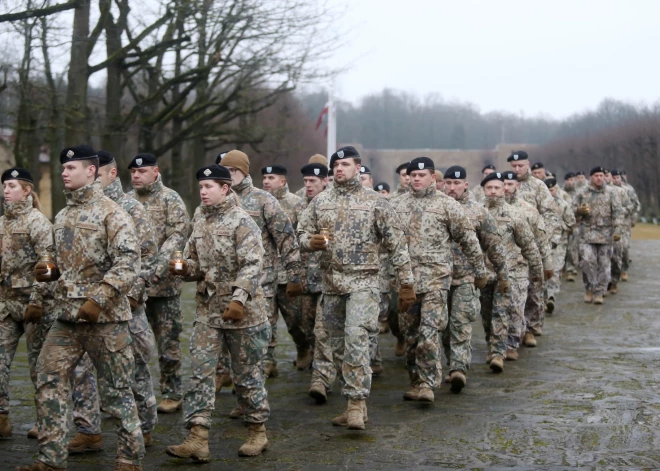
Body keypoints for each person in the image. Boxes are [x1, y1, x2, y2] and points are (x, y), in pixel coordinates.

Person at [19, 145, 144, 471]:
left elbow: (129, 264)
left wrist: (98, 299)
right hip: (66, 319)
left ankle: (130, 459)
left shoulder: (112, 213)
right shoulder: (63, 215)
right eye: (63, 167)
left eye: (71, 167)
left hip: (105, 320)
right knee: (48, 380)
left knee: (117, 391)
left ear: (91, 171)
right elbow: (60, 265)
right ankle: (50, 460)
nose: (64, 172)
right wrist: (49, 272)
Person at [298, 146, 414, 429]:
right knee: (337, 345)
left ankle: (356, 404)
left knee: (356, 339)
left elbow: (396, 244)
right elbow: (301, 232)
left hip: (364, 283)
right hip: (332, 285)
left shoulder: (374, 202)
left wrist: (407, 282)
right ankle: (354, 403)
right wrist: (309, 241)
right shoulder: (320, 202)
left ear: (358, 168)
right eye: (336, 164)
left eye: (345, 164)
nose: (339, 168)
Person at [166, 164, 270, 460]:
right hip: (209, 311)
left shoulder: (242, 222)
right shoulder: (200, 220)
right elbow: (196, 264)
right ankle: (198, 436)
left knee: (247, 375)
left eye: (209, 187)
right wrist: (184, 268)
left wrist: (239, 300)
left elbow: (253, 264)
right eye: (201, 187)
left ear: (225, 189)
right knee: (200, 373)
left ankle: (257, 431)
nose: (203, 192)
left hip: (244, 313)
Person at [68, 151, 159, 452]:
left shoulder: (130, 207)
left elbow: (147, 256)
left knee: (132, 366)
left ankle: (143, 427)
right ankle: (88, 428)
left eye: (99, 173)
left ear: (110, 174)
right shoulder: (79, 207)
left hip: (124, 304)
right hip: (86, 303)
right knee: (80, 367)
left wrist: (134, 295)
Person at [393, 158, 487, 400]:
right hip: (407, 282)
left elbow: (469, 240)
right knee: (411, 335)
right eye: (412, 174)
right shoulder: (396, 205)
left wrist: (480, 271)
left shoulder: (447, 206)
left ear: (433, 178)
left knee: (430, 332)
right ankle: (416, 382)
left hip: (436, 280)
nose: (416, 178)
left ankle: (428, 383)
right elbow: (385, 244)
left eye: (421, 175)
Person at [221, 150, 302, 379]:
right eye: (224, 170)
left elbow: (286, 238)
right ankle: (232, 377)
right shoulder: (218, 198)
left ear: (243, 172)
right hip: (226, 281)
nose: (228, 175)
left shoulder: (263, 199)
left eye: (232, 171)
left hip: (261, 281)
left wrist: (294, 275)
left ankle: (261, 373)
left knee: (257, 335)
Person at [128, 153, 191, 414]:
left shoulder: (170, 199)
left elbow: (177, 235)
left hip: (163, 287)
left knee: (168, 343)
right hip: (132, 287)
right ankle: (135, 395)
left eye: (141, 172)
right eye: (132, 172)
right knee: (132, 346)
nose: (135, 176)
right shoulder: (127, 201)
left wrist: (155, 267)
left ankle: (172, 392)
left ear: (155, 172)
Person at [443, 166, 508, 390]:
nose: (452, 188)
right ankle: (452, 361)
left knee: (460, 323)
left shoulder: (478, 212)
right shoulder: (436, 207)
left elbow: (494, 245)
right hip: (437, 279)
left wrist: (503, 275)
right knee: (442, 326)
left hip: (466, 278)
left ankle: (458, 368)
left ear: (465, 185)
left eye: (456, 183)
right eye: (448, 183)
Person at [0, 168, 53, 440]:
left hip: (35, 306)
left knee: (39, 367)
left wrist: (37, 299)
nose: (6, 190)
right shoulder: (1, 223)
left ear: (26, 190)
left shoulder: (38, 223)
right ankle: (2, 418)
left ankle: (44, 422)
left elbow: (48, 265)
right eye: (4, 185)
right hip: (6, 306)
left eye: (12, 185)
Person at [480, 172, 542, 364]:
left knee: (507, 309)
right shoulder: (478, 212)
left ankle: (503, 349)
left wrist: (538, 268)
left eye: (497, 188)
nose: (493, 192)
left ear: (503, 190)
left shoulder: (515, 214)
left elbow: (528, 243)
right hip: (484, 272)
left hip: (511, 271)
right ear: (483, 190)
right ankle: (493, 344)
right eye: (489, 188)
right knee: (487, 312)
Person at [262, 164, 312, 370]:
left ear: (282, 181)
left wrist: (298, 273)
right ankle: (267, 361)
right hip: (264, 273)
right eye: (264, 177)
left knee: (295, 321)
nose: (266, 181)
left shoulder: (297, 204)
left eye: (271, 177)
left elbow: (303, 237)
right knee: (266, 320)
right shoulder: (257, 202)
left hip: (288, 274)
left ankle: (303, 347)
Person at [298, 163, 337, 404]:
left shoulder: (332, 203)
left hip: (332, 279)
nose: (308, 185)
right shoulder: (298, 204)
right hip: (306, 277)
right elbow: (294, 237)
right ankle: (317, 362)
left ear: (325, 181)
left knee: (325, 330)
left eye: (313, 181)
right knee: (306, 324)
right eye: (306, 181)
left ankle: (321, 378)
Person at [502, 172, 553, 347]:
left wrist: (546, 263)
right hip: (499, 265)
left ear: (517, 186)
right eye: (504, 184)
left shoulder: (529, 210)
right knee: (505, 305)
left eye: (510, 184)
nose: (506, 188)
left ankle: (528, 331)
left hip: (523, 263)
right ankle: (504, 339)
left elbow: (541, 238)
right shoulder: (490, 209)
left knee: (527, 299)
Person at [573, 167, 623, 304]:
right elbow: (571, 212)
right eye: (596, 175)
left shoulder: (611, 193)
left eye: (601, 175)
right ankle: (589, 288)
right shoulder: (582, 192)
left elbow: (618, 213)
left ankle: (600, 292)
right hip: (586, 235)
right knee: (588, 262)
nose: (599, 178)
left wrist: (618, 231)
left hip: (606, 235)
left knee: (604, 265)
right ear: (591, 177)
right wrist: (578, 211)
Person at [544, 177, 576, 313]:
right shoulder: (538, 206)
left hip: (559, 244)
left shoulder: (563, 205)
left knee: (555, 270)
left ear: (556, 190)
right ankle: (542, 297)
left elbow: (571, 223)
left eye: (552, 189)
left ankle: (551, 296)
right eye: (547, 190)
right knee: (541, 272)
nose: (550, 192)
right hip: (543, 244)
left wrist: (558, 225)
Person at [603, 169, 633, 294]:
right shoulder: (595, 193)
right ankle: (602, 284)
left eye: (607, 175)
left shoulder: (620, 191)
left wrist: (620, 212)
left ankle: (615, 280)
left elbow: (630, 206)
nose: (605, 178)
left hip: (620, 228)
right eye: (602, 175)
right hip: (601, 231)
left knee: (617, 256)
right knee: (602, 259)